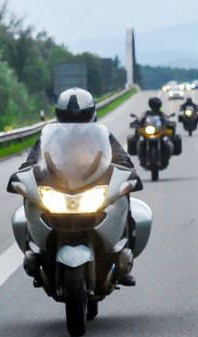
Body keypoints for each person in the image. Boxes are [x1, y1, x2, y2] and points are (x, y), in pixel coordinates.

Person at [11, 88, 143, 286]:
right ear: (59, 115)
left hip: (93, 185)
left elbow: (122, 158)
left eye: (80, 116)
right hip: (59, 185)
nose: (75, 121)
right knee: (30, 201)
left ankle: (124, 255)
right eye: (69, 116)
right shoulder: (49, 136)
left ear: (90, 114)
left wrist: (126, 171)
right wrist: (25, 174)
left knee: (123, 198)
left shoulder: (102, 135)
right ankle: (36, 254)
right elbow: (31, 161)